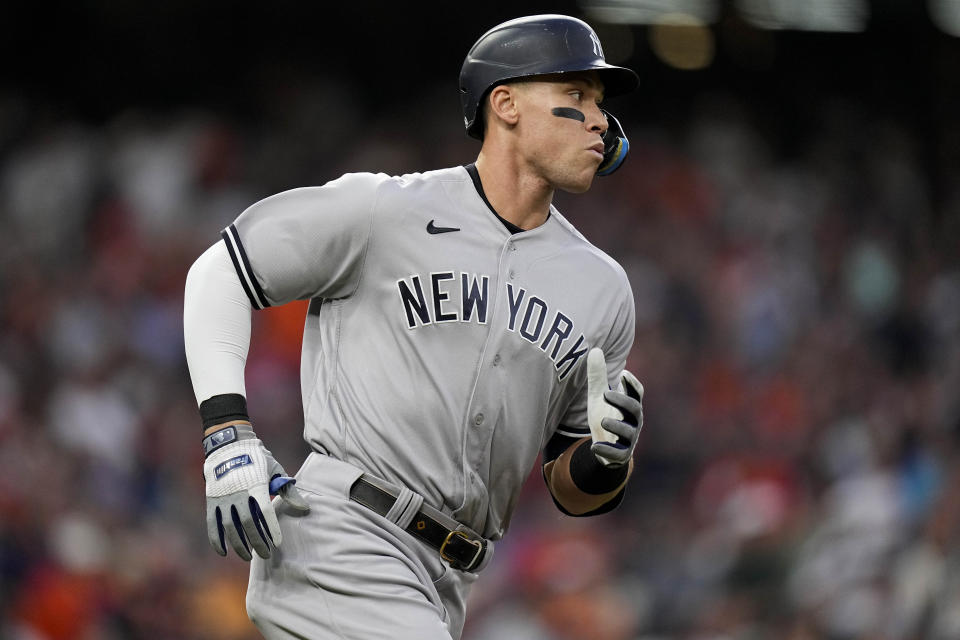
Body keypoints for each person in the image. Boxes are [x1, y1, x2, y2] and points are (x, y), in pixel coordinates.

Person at [183, 14, 645, 640]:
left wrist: (607, 460)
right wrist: (227, 432)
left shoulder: (604, 289)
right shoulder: (386, 210)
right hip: (342, 539)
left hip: (449, 579)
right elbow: (220, 274)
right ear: (504, 104)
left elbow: (571, 487)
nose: (599, 120)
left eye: (599, 102)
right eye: (576, 97)